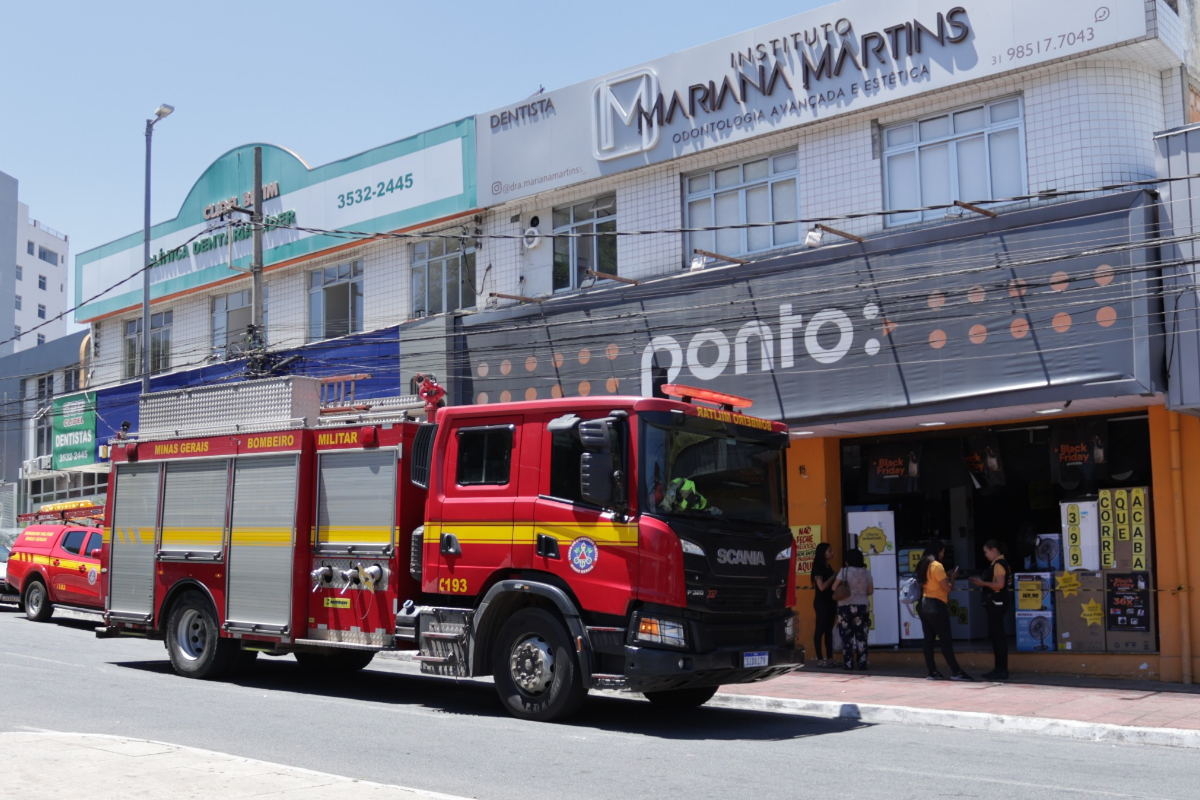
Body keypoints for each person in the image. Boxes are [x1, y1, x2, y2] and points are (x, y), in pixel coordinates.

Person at [917, 539, 973, 681]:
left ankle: (932, 671)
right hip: (936, 605)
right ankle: (956, 671)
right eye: (942, 551)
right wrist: (952, 578)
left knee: (928, 640)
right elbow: (948, 588)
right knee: (945, 640)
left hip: (923, 604)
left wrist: (946, 576)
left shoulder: (923, 564)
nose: (943, 554)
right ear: (938, 551)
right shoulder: (937, 566)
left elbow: (932, 582)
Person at [969, 539, 1011, 680]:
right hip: (996, 603)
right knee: (995, 636)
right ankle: (999, 668)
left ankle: (1001, 669)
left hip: (997, 603)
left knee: (998, 636)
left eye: (986, 552)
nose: (985, 555)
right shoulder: (997, 564)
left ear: (993, 550)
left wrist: (982, 583)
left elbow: (999, 584)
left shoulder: (999, 564)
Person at [832, 548, 873, 671]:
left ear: (847, 561)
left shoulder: (844, 572)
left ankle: (848, 664)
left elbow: (834, 587)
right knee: (862, 637)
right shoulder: (867, 573)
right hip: (862, 606)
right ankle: (862, 664)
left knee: (846, 636)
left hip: (845, 607)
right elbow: (870, 591)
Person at [810, 543, 837, 667]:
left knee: (829, 630)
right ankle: (820, 658)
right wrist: (834, 576)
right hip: (821, 603)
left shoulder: (828, 566)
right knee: (820, 630)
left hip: (831, 601)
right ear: (823, 553)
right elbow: (821, 587)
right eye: (829, 551)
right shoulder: (817, 567)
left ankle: (830, 657)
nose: (832, 553)